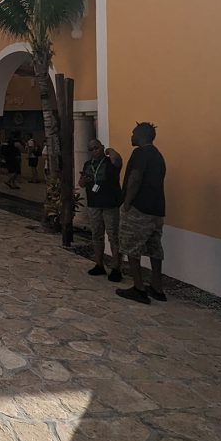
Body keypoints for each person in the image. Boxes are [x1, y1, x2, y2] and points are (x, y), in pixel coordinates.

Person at [116, 122, 168, 304]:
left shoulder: (140, 153)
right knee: (155, 248)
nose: (131, 136)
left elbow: (135, 178)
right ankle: (157, 287)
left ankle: (138, 287)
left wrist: (127, 203)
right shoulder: (158, 155)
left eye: (133, 133)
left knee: (131, 246)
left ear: (142, 136)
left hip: (139, 208)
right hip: (157, 209)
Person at [80, 138, 124, 281]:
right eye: (91, 149)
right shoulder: (88, 164)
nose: (94, 151)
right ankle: (99, 264)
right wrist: (84, 181)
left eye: (96, 148)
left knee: (113, 236)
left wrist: (109, 151)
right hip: (94, 204)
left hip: (110, 204)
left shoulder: (110, 162)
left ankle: (116, 268)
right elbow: (81, 183)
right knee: (96, 234)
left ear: (102, 147)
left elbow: (118, 160)